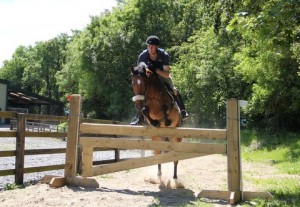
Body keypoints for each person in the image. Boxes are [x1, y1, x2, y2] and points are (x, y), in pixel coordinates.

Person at [130, 35, 190, 125]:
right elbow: (139, 72)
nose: (150, 48)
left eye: (152, 46)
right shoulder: (142, 56)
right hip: (148, 78)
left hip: (161, 76)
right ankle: (139, 117)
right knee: (139, 93)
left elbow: (166, 74)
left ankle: (182, 111)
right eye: (149, 46)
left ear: (157, 47)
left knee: (173, 89)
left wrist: (155, 69)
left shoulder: (164, 55)